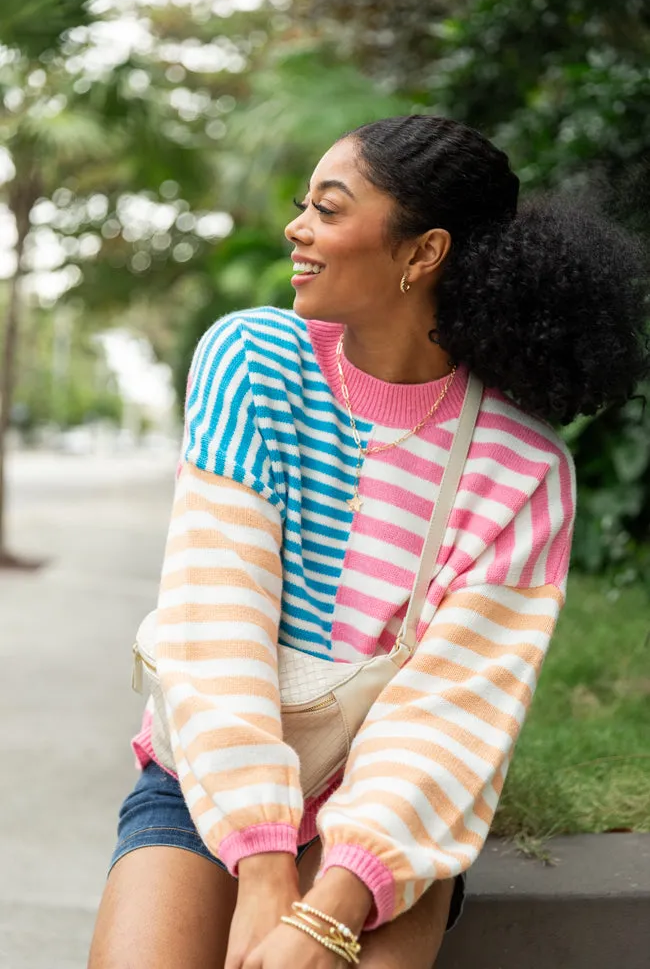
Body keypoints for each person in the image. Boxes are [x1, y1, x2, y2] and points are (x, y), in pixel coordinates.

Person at [88, 115, 648, 969]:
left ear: (422, 254)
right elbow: (215, 629)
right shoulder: (252, 361)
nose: (296, 226)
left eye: (328, 206)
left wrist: (330, 906)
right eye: (303, 202)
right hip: (207, 783)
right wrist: (266, 865)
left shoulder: (523, 468)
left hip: (389, 822)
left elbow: (454, 713)